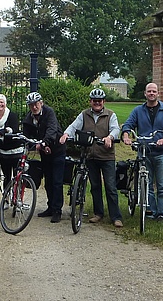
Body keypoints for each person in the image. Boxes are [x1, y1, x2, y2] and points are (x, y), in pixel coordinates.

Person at [59, 88, 123, 228]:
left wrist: (109, 137)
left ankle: (116, 217)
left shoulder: (110, 115)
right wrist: (65, 134)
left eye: (99, 101)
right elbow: (73, 126)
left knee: (110, 187)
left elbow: (115, 129)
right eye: (94, 101)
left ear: (103, 102)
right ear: (91, 101)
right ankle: (98, 213)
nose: (97, 103)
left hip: (106, 156)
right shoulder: (84, 114)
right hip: (90, 155)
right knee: (95, 186)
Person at [121, 83, 163, 222]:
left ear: (158, 93)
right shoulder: (138, 110)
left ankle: (162, 213)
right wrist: (126, 135)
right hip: (144, 151)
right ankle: (151, 210)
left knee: (162, 185)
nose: (151, 93)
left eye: (154, 91)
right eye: (149, 91)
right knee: (146, 184)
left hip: (161, 152)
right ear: (145, 94)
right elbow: (128, 124)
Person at [22, 92, 66, 223]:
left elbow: (52, 129)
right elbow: (26, 134)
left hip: (57, 149)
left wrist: (45, 142)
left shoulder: (49, 112)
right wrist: (27, 142)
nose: (34, 107)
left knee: (57, 181)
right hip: (44, 152)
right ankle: (50, 207)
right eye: (31, 105)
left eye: (36, 104)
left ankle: (57, 210)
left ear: (41, 103)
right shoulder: (29, 118)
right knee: (48, 181)